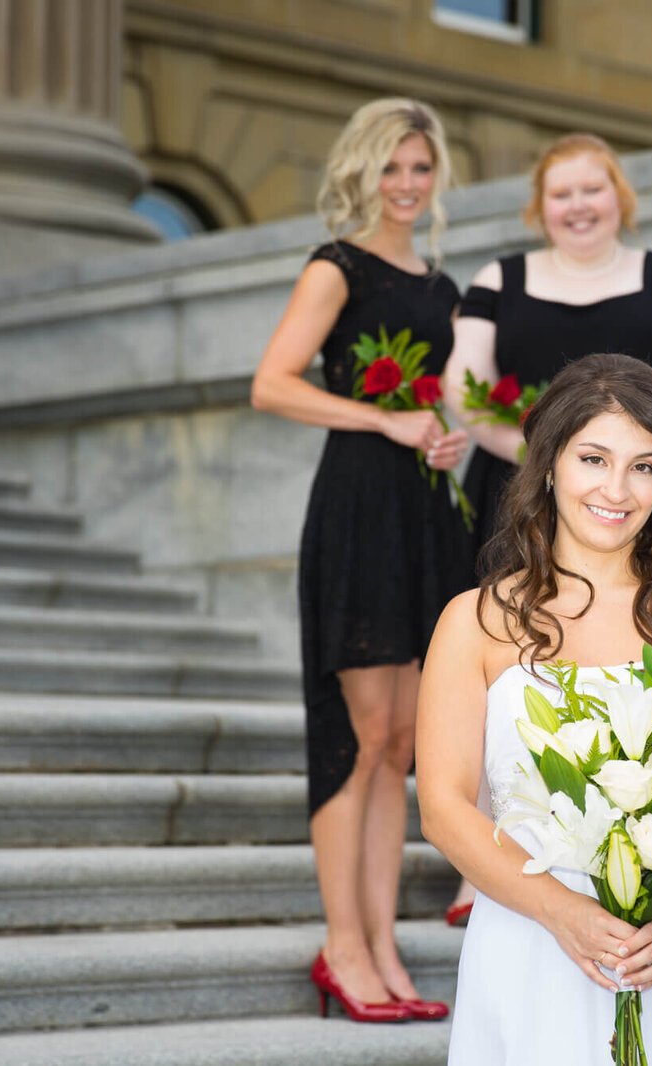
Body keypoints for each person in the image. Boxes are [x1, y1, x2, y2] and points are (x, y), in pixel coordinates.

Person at [417, 353, 652, 1064]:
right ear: (549, 463)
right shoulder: (475, 622)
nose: (617, 489)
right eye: (594, 459)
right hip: (531, 943)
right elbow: (443, 806)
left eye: (644, 467)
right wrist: (568, 916)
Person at [439, 131, 652, 924]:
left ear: (620, 198)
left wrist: (634, 450)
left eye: (593, 189)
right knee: (505, 673)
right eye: (561, 192)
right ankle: (490, 862)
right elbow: (461, 389)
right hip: (519, 480)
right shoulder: (497, 280)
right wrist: (545, 453)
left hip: (640, 495)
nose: (578, 205)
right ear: (540, 205)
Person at [250, 98, 470, 1024]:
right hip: (357, 509)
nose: (408, 185)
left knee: (401, 743)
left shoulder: (447, 287)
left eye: (421, 168)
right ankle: (343, 946)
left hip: (426, 513)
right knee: (356, 733)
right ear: (363, 171)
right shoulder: (335, 267)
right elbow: (271, 384)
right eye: (393, 168)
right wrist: (382, 417)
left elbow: (452, 395)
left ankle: (382, 944)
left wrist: (449, 438)